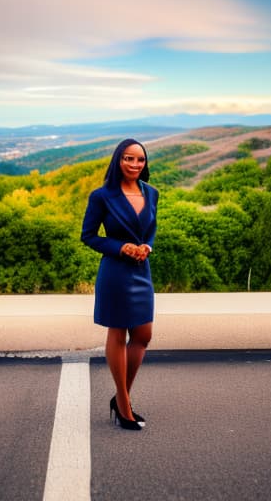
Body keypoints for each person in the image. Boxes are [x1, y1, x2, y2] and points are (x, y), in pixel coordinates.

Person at [81, 138, 158, 431]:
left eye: (140, 160)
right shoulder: (102, 196)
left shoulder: (152, 193)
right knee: (119, 330)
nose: (135, 165)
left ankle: (119, 397)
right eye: (129, 159)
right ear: (118, 161)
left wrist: (146, 247)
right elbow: (88, 236)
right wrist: (120, 247)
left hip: (142, 270)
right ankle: (124, 405)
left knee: (144, 335)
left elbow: (150, 231)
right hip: (115, 271)